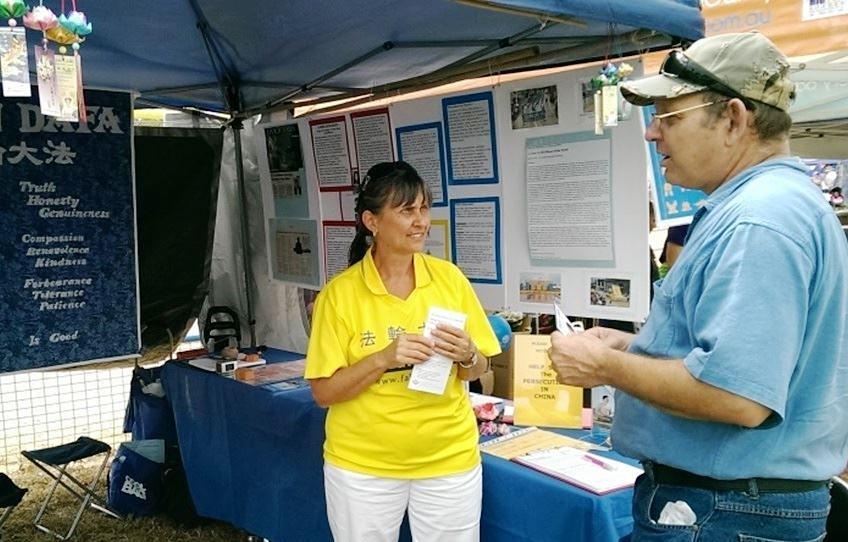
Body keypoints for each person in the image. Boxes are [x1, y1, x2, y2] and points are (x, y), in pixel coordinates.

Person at [548, 32, 848, 541]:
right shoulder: (767, 205)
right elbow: (735, 357)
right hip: (730, 505)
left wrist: (606, 365)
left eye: (669, 116)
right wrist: (632, 346)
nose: (652, 134)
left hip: (723, 510)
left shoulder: (759, 220)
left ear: (733, 118)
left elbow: (737, 396)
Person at [305, 161, 500, 542]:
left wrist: (467, 354)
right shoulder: (339, 295)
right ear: (371, 221)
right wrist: (383, 358)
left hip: (449, 460)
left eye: (424, 209)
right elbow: (323, 393)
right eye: (406, 210)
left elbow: (478, 368)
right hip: (363, 468)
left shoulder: (449, 279)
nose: (420, 222)